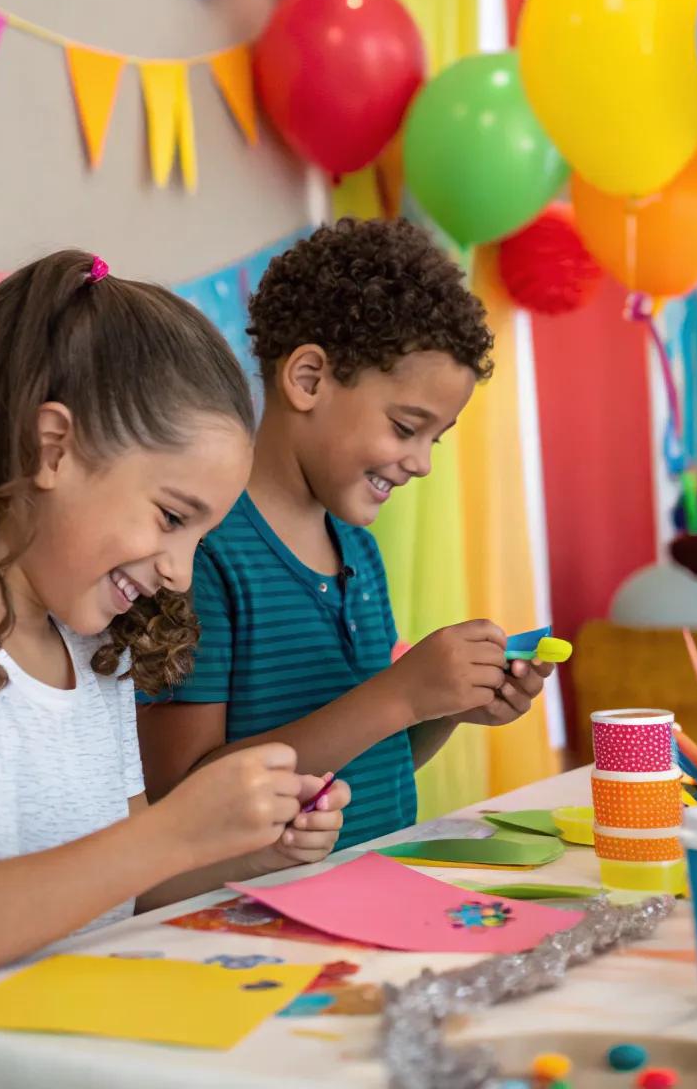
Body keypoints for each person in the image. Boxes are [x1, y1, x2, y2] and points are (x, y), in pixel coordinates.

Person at [0, 251, 349, 1031]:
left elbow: (120, 884)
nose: (180, 573)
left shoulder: (98, 657)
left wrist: (245, 846)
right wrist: (170, 831)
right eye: (171, 518)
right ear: (50, 448)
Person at [139, 219, 551, 848]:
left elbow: (364, 763)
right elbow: (182, 795)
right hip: (247, 918)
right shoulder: (204, 552)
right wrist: (400, 696)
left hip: (367, 893)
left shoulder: (358, 551)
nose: (421, 462)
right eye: (405, 426)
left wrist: (442, 707)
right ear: (308, 380)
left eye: (433, 439)